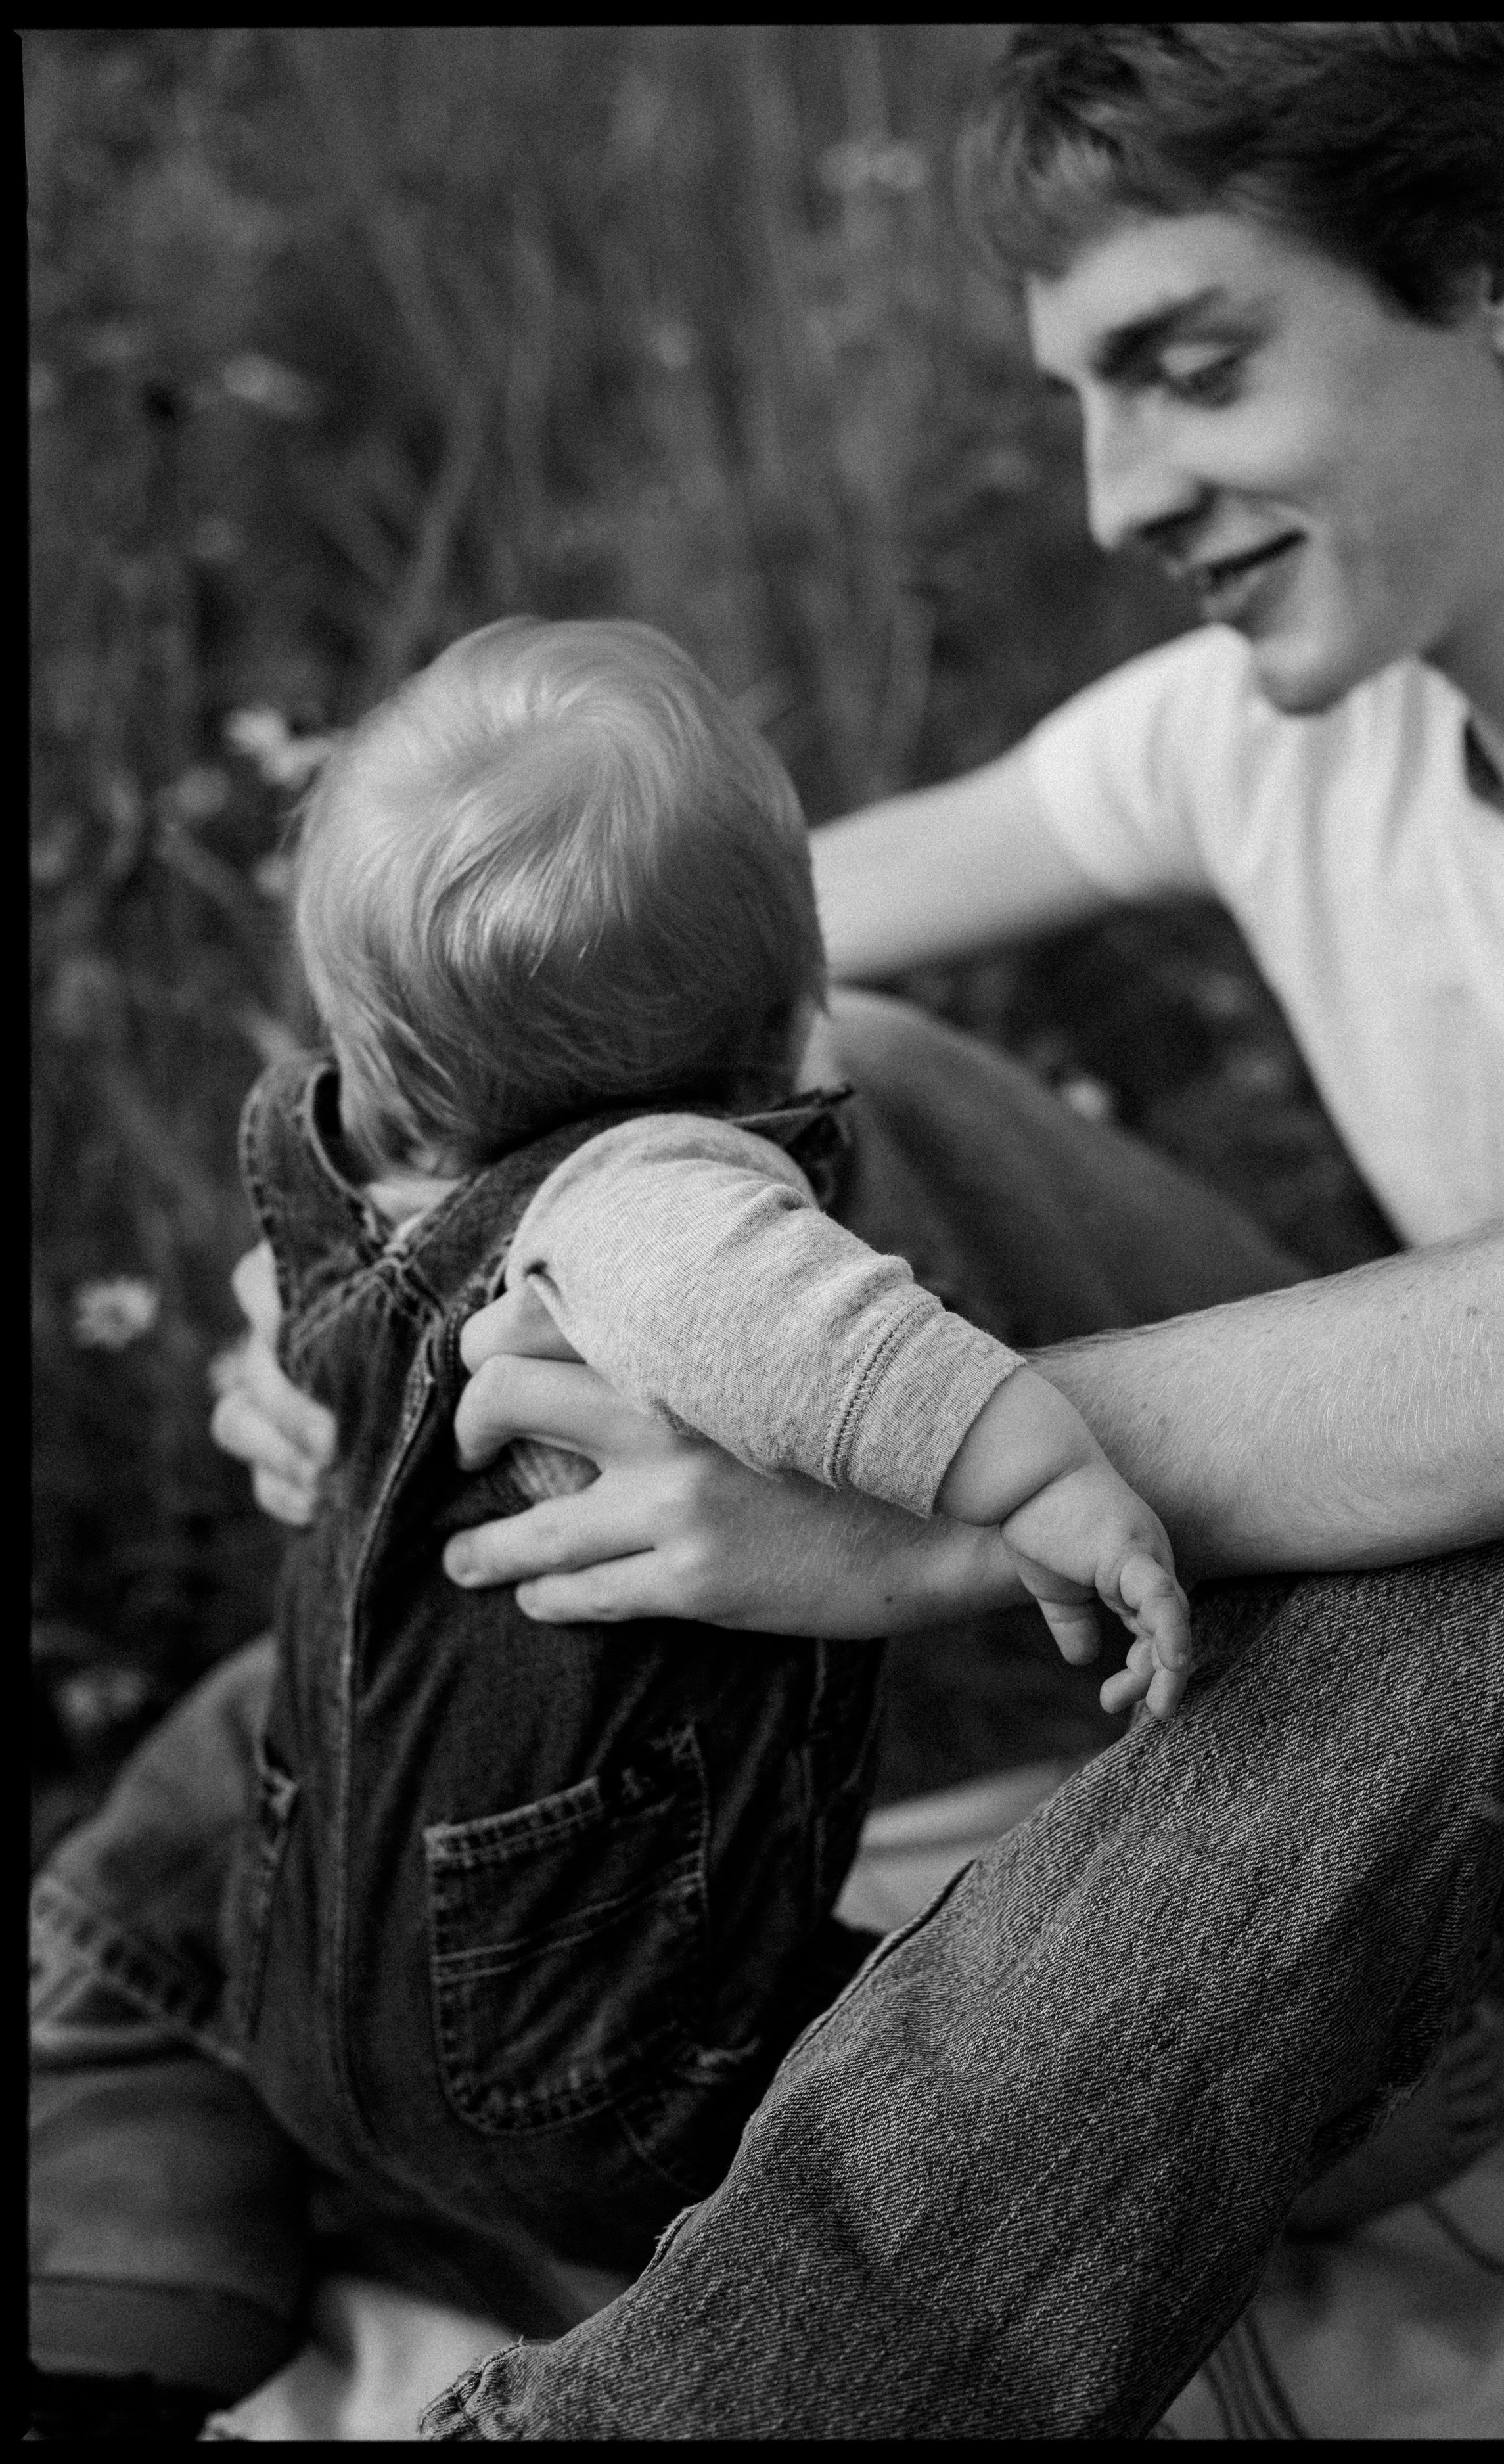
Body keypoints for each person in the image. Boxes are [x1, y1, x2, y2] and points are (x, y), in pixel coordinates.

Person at [35, 18, 1504, 2441]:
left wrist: (946, 1500)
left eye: (1187, 370)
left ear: (1500, 258)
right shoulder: (1278, 726)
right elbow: (676, 966)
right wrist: (409, 1227)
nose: (1109, 493)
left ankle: (707, 2403)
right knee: (768, 1099)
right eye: (1081, 396)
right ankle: (181, 1995)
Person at [223, 608, 1205, 2302]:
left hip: (301, 1968)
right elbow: (823, 1339)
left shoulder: (328, 1198)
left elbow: (285, 1302)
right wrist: (1043, 1477)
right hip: (592, 2042)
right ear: (788, 1006)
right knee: (981, 2118)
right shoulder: (653, 1198)